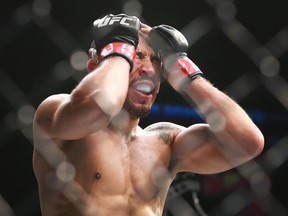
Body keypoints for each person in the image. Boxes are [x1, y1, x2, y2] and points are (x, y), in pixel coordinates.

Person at [32, 13, 264, 216]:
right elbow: (98, 108)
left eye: (156, 61)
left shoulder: (167, 141)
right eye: (137, 56)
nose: (150, 69)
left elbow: (248, 142)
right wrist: (119, 50)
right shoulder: (57, 112)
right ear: (96, 66)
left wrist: (185, 70)